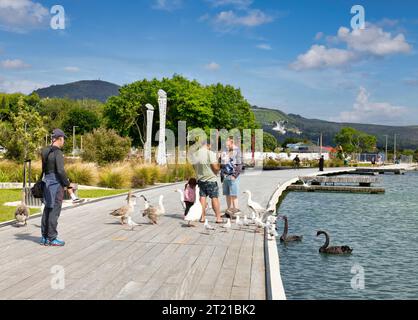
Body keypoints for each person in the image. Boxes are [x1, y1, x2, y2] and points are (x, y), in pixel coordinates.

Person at [40, 129, 78, 247]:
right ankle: (52, 238)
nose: (64, 141)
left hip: (47, 183)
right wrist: (67, 184)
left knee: (47, 209)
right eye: (63, 139)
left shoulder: (45, 151)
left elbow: (45, 169)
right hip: (56, 184)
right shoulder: (58, 153)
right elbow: (60, 171)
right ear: (60, 138)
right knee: (54, 211)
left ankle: (45, 237)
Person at [190, 139, 222, 224]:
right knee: (214, 197)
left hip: (201, 179)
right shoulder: (210, 153)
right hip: (211, 179)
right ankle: (218, 218)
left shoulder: (195, 155)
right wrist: (219, 164)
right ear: (208, 145)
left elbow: (194, 167)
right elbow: (215, 168)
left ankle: (202, 217)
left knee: (202, 197)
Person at [221, 137, 243, 219]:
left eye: (226, 142)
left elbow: (240, 164)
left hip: (233, 176)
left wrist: (235, 175)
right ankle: (229, 213)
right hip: (225, 176)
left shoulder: (237, 151)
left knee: (234, 194)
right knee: (227, 195)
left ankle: (235, 213)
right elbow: (222, 163)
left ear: (231, 141)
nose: (225, 144)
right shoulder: (225, 151)